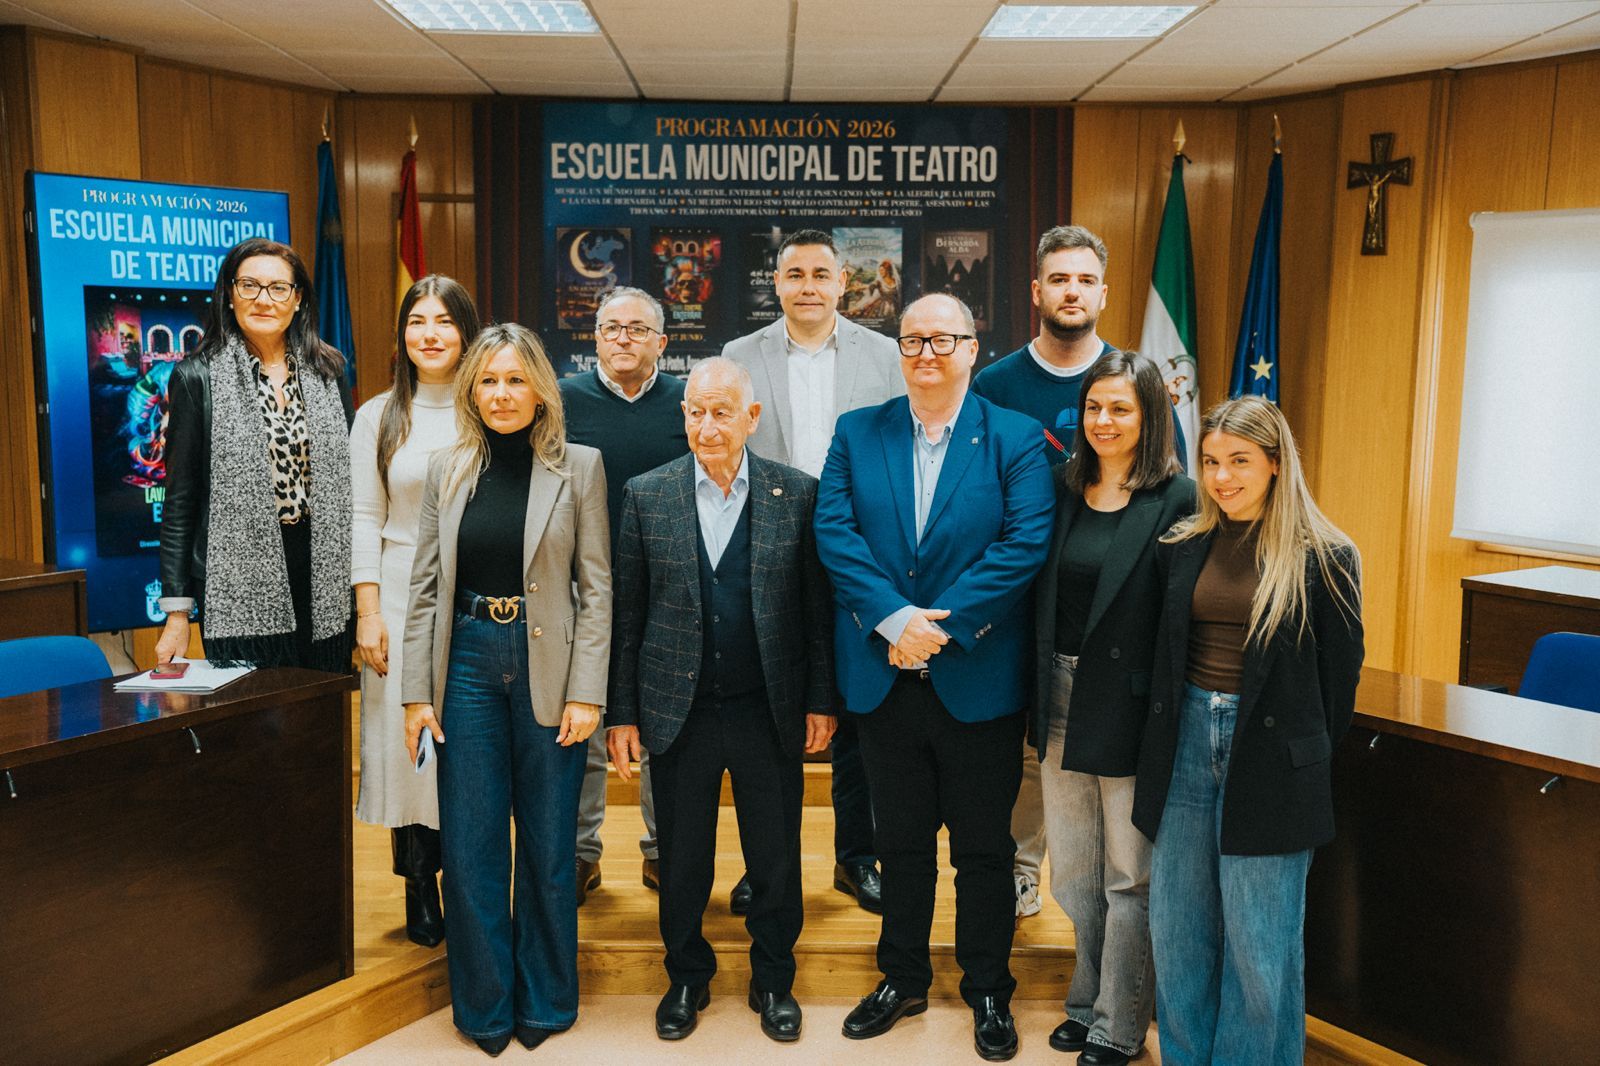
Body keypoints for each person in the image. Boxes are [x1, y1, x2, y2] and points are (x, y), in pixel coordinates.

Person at [814, 294, 1054, 1062]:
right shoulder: (859, 432)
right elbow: (834, 531)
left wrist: (934, 632)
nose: (925, 353)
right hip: (885, 681)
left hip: (975, 681)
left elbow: (1024, 544)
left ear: (973, 349)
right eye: (912, 340)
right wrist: (893, 620)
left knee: (984, 848)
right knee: (902, 843)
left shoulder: (1014, 438)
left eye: (942, 340)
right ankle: (903, 978)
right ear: (899, 350)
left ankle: (987, 988)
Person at [606, 357, 835, 1044]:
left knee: (774, 856)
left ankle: (773, 978)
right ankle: (686, 977)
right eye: (695, 411)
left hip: (769, 707)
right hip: (678, 711)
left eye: (721, 412)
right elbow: (628, 615)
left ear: (750, 418)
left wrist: (821, 699)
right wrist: (622, 712)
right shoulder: (648, 496)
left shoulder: (797, 494)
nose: (707, 424)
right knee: (681, 859)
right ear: (684, 416)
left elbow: (816, 611)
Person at [1133, 395, 1363, 1065]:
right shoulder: (1182, 545)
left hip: (1270, 761)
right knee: (1179, 935)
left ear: (1274, 464)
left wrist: (1296, 756)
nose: (1222, 477)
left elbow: (1337, 684)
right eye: (1210, 462)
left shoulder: (1325, 555)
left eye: (1239, 461)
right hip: (1182, 749)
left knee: (1260, 949)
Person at [401, 323, 611, 1056]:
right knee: (471, 846)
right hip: (464, 666)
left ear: (541, 389)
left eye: (515, 379)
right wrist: (414, 694)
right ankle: (486, 1008)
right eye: (488, 381)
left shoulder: (580, 468)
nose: (501, 394)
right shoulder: (445, 468)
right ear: (471, 390)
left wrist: (589, 691)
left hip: (548, 664)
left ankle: (547, 1001)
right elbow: (424, 589)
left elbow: (597, 588)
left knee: (551, 847)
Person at [973, 224, 1187, 918]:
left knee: (1114, 823)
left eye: (1084, 279)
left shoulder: (1138, 382)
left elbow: (1172, 495)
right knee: (1037, 756)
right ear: (1037, 290)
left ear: (1103, 290)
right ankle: (1021, 866)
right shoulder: (997, 384)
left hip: (1114, 614)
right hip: (1024, 599)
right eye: (1058, 279)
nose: (1071, 291)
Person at [722, 228, 902, 916]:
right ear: (776, 283)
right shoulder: (740, 355)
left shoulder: (883, 357)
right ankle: (765, 863)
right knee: (768, 712)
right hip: (767, 550)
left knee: (856, 711)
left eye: (820, 274)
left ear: (841, 284)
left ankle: (857, 859)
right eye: (793, 274)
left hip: (860, 550)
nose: (806, 286)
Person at [1031, 351, 1195, 1066]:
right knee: (1072, 871)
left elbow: (1178, 621)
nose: (1103, 421)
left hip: (1128, 706)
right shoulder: (1062, 488)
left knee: (1130, 875)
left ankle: (1121, 1023)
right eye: (1094, 408)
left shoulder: (1178, 498)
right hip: (1058, 697)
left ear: (1150, 415)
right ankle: (1086, 1000)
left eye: (1120, 409)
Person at [350, 275, 481, 948]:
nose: (430, 334)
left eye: (444, 321)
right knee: (411, 753)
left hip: (476, 596)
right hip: (399, 596)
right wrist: (367, 612)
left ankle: (470, 879)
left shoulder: (489, 404)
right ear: (402, 335)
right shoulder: (378, 415)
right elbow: (364, 518)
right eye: (417, 321)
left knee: (469, 740)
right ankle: (418, 885)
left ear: (467, 330)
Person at [156, 238, 353, 671]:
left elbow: (352, 486)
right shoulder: (197, 378)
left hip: (323, 574)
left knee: (320, 715)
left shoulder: (328, 371)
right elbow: (181, 499)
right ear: (229, 294)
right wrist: (176, 613)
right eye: (249, 286)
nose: (264, 299)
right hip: (238, 583)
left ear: (298, 299)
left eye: (278, 288)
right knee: (257, 729)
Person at [561, 285, 689, 905]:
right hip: (581, 586)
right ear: (595, 339)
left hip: (667, 586)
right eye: (612, 328)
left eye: (638, 330)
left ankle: (665, 852)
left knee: (662, 725)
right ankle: (582, 854)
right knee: (583, 721)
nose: (623, 340)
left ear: (662, 342)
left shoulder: (688, 404)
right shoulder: (562, 399)